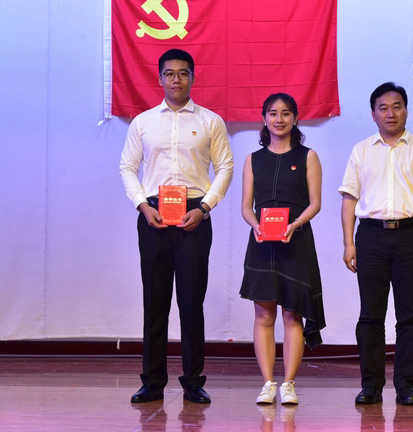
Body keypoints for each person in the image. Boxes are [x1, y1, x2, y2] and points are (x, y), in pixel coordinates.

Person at [119, 48, 234, 404]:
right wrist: (142, 205)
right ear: (160, 78)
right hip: (153, 216)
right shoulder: (143, 122)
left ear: (193, 78)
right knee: (155, 302)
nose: (176, 79)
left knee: (191, 302)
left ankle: (193, 381)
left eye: (183, 73)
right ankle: (152, 381)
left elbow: (225, 167)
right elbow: (127, 167)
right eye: (169, 74)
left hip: (194, 217)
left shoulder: (211, 121)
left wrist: (205, 207)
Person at [338, 82, 413, 406]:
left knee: (409, 316)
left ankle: (405, 386)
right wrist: (348, 243)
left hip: (409, 236)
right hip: (370, 237)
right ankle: (371, 386)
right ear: (373, 114)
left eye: (397, 106)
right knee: (370, 316)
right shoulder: (361, 150)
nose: (390, 113)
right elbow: (349, 200)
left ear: (406, 111)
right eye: (383, 108)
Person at [240, 93, 326, 405]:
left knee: (292, 315)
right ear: (264, 119)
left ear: (295, 118)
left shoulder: (308, 156)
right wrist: (256, 226)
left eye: (286, 113)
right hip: (262, 243)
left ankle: (289, 384)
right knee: (264, 314)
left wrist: (295, 224)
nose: (279, 119)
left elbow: (315, 203)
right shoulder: (253, 159)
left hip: (296, 241)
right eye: (273, 113)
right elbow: (246, 206)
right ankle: (267, 383)